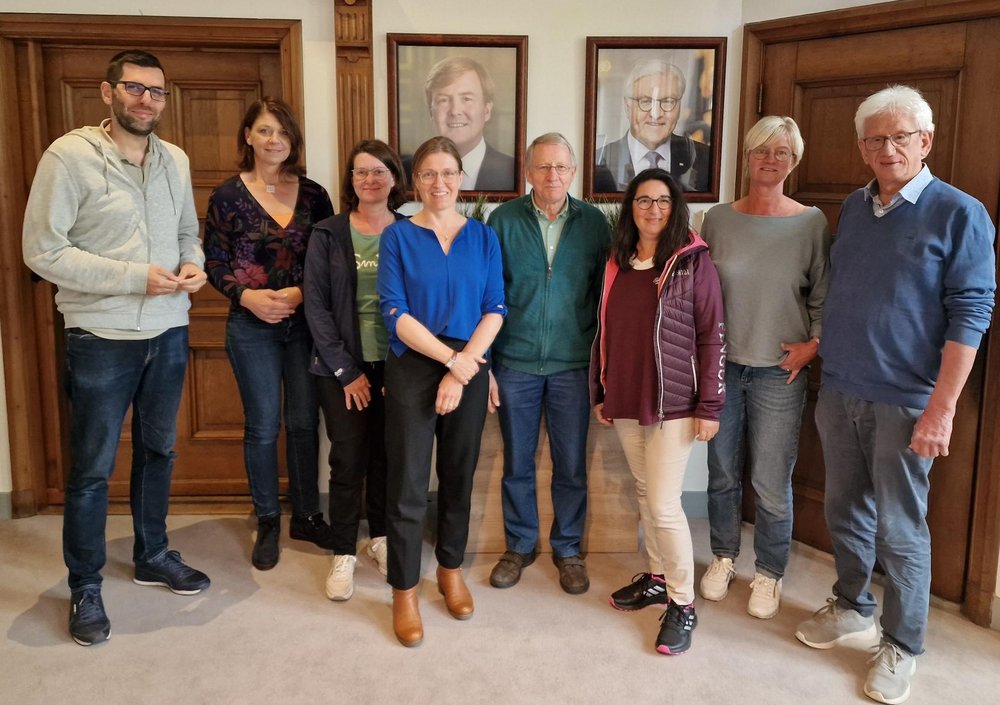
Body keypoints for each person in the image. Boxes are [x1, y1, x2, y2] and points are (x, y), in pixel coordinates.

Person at [794, 85, 995, 705]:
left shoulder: (960, 212)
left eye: (900, 137)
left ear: (925, 141)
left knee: (903, 530)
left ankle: (903, 644)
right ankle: (853, 606)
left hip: (909, 400)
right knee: (843, 509)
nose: (887, 148)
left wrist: (942, 408)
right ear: (860, 147)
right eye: (876, 139)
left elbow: (972, 312)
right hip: (843, 389)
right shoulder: (854, 208)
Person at [22, 49, 211, 646]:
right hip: (100, 337)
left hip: (169, 330)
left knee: (159, 452)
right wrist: (134, 277)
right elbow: (43, 251)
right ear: (108, 93)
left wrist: (193, 265)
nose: (146, 100)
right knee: (92, 470)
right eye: (134, 89)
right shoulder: (69, 156)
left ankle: (153, 553)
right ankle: (85, 583)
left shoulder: (174, 160)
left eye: (156, 92)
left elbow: (188, 233)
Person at [699, 116, 830, 619]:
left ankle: (770, 573)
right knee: (722, 472)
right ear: (747, 156)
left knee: (773, 482)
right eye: (762, 150)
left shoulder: (811, 223)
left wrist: (812, 345)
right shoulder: (717, 219)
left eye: (782, 152)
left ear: (794, 161)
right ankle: (724, 557)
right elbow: (703, 293)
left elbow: (823, 295)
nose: (770, 160)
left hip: (780, 371)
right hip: (724, 369)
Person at [377, 136, 506, 647]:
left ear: (461, 178)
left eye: (448, 172)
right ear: (415, 182)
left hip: (469, 364)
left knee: (458, 475)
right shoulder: (398, 237)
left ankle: (450, 569)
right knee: (408, 482)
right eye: (428, 174)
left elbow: (495, 307)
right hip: (414, 362)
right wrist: (448, 361)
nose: (439, 183)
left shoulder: (483, 236)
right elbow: (394, 311)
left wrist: (461, 369)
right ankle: (405, 589)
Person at [590, 168, 725, 655]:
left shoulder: (693, 262)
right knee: (647, 493)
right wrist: (601, 389)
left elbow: (712, 335)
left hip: (676, 401)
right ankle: (657, 579)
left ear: (676, 208)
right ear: (630, 208)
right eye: (643, 200)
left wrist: (710, 405)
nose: (652, 209)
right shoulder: (618, 261)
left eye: (662, 201)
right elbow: (605, 330)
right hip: (626, 394)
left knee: (666, 507)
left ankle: (682, 603)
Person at [204, 97, 335, 571]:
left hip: (305, 326)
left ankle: (305, 514)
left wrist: (303, 293)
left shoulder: (316, 195)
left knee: (303, 421)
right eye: (263, 131)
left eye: (282, 132)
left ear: (293, 140)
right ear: (247, 137)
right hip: (250, 327)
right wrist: (247, 297)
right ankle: (267, 519)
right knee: (262, 425)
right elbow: (213, 261)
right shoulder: (226, 196)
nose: (274, 140)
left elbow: (329, 258)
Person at [485, 133, 610, 594]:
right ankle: (519, 545)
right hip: (514, 363)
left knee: (570, 465)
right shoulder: (502, 220)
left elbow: (604, 298)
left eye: (560, 167)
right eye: (542, 167)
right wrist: (489, 366)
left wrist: (603, 369)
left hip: (572, 366)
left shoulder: (595, 224)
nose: (551, 175)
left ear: (573, 171)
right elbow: (489, 295)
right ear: (528, 172)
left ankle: (568, 549)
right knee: (517, 463)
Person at [303, 140, 406, 600]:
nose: (370, 180)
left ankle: (380, 538)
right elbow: (317, 307)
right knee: (348, 458)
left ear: (394, 179)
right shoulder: (327, 233)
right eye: (361, 172)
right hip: (340, 366)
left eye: (379, 171)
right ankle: (343, 550)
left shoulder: (409, 232)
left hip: (398, 363)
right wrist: (347, 371)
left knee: (389, 456)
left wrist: (404, 368)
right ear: (350, 180)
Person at [594, 60, 710, 193]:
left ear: (679, 107)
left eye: (667, 101)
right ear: (627, 107)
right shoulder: (598, 162)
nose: (656, 114)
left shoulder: (705, 159)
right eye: (645, 101)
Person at [407, 56, 515, 191]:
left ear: (486, 110)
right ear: (430, 112)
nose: (455, 111)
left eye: (466, 99)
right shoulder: (405, 173)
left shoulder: (511, 170)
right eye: (443, 100)